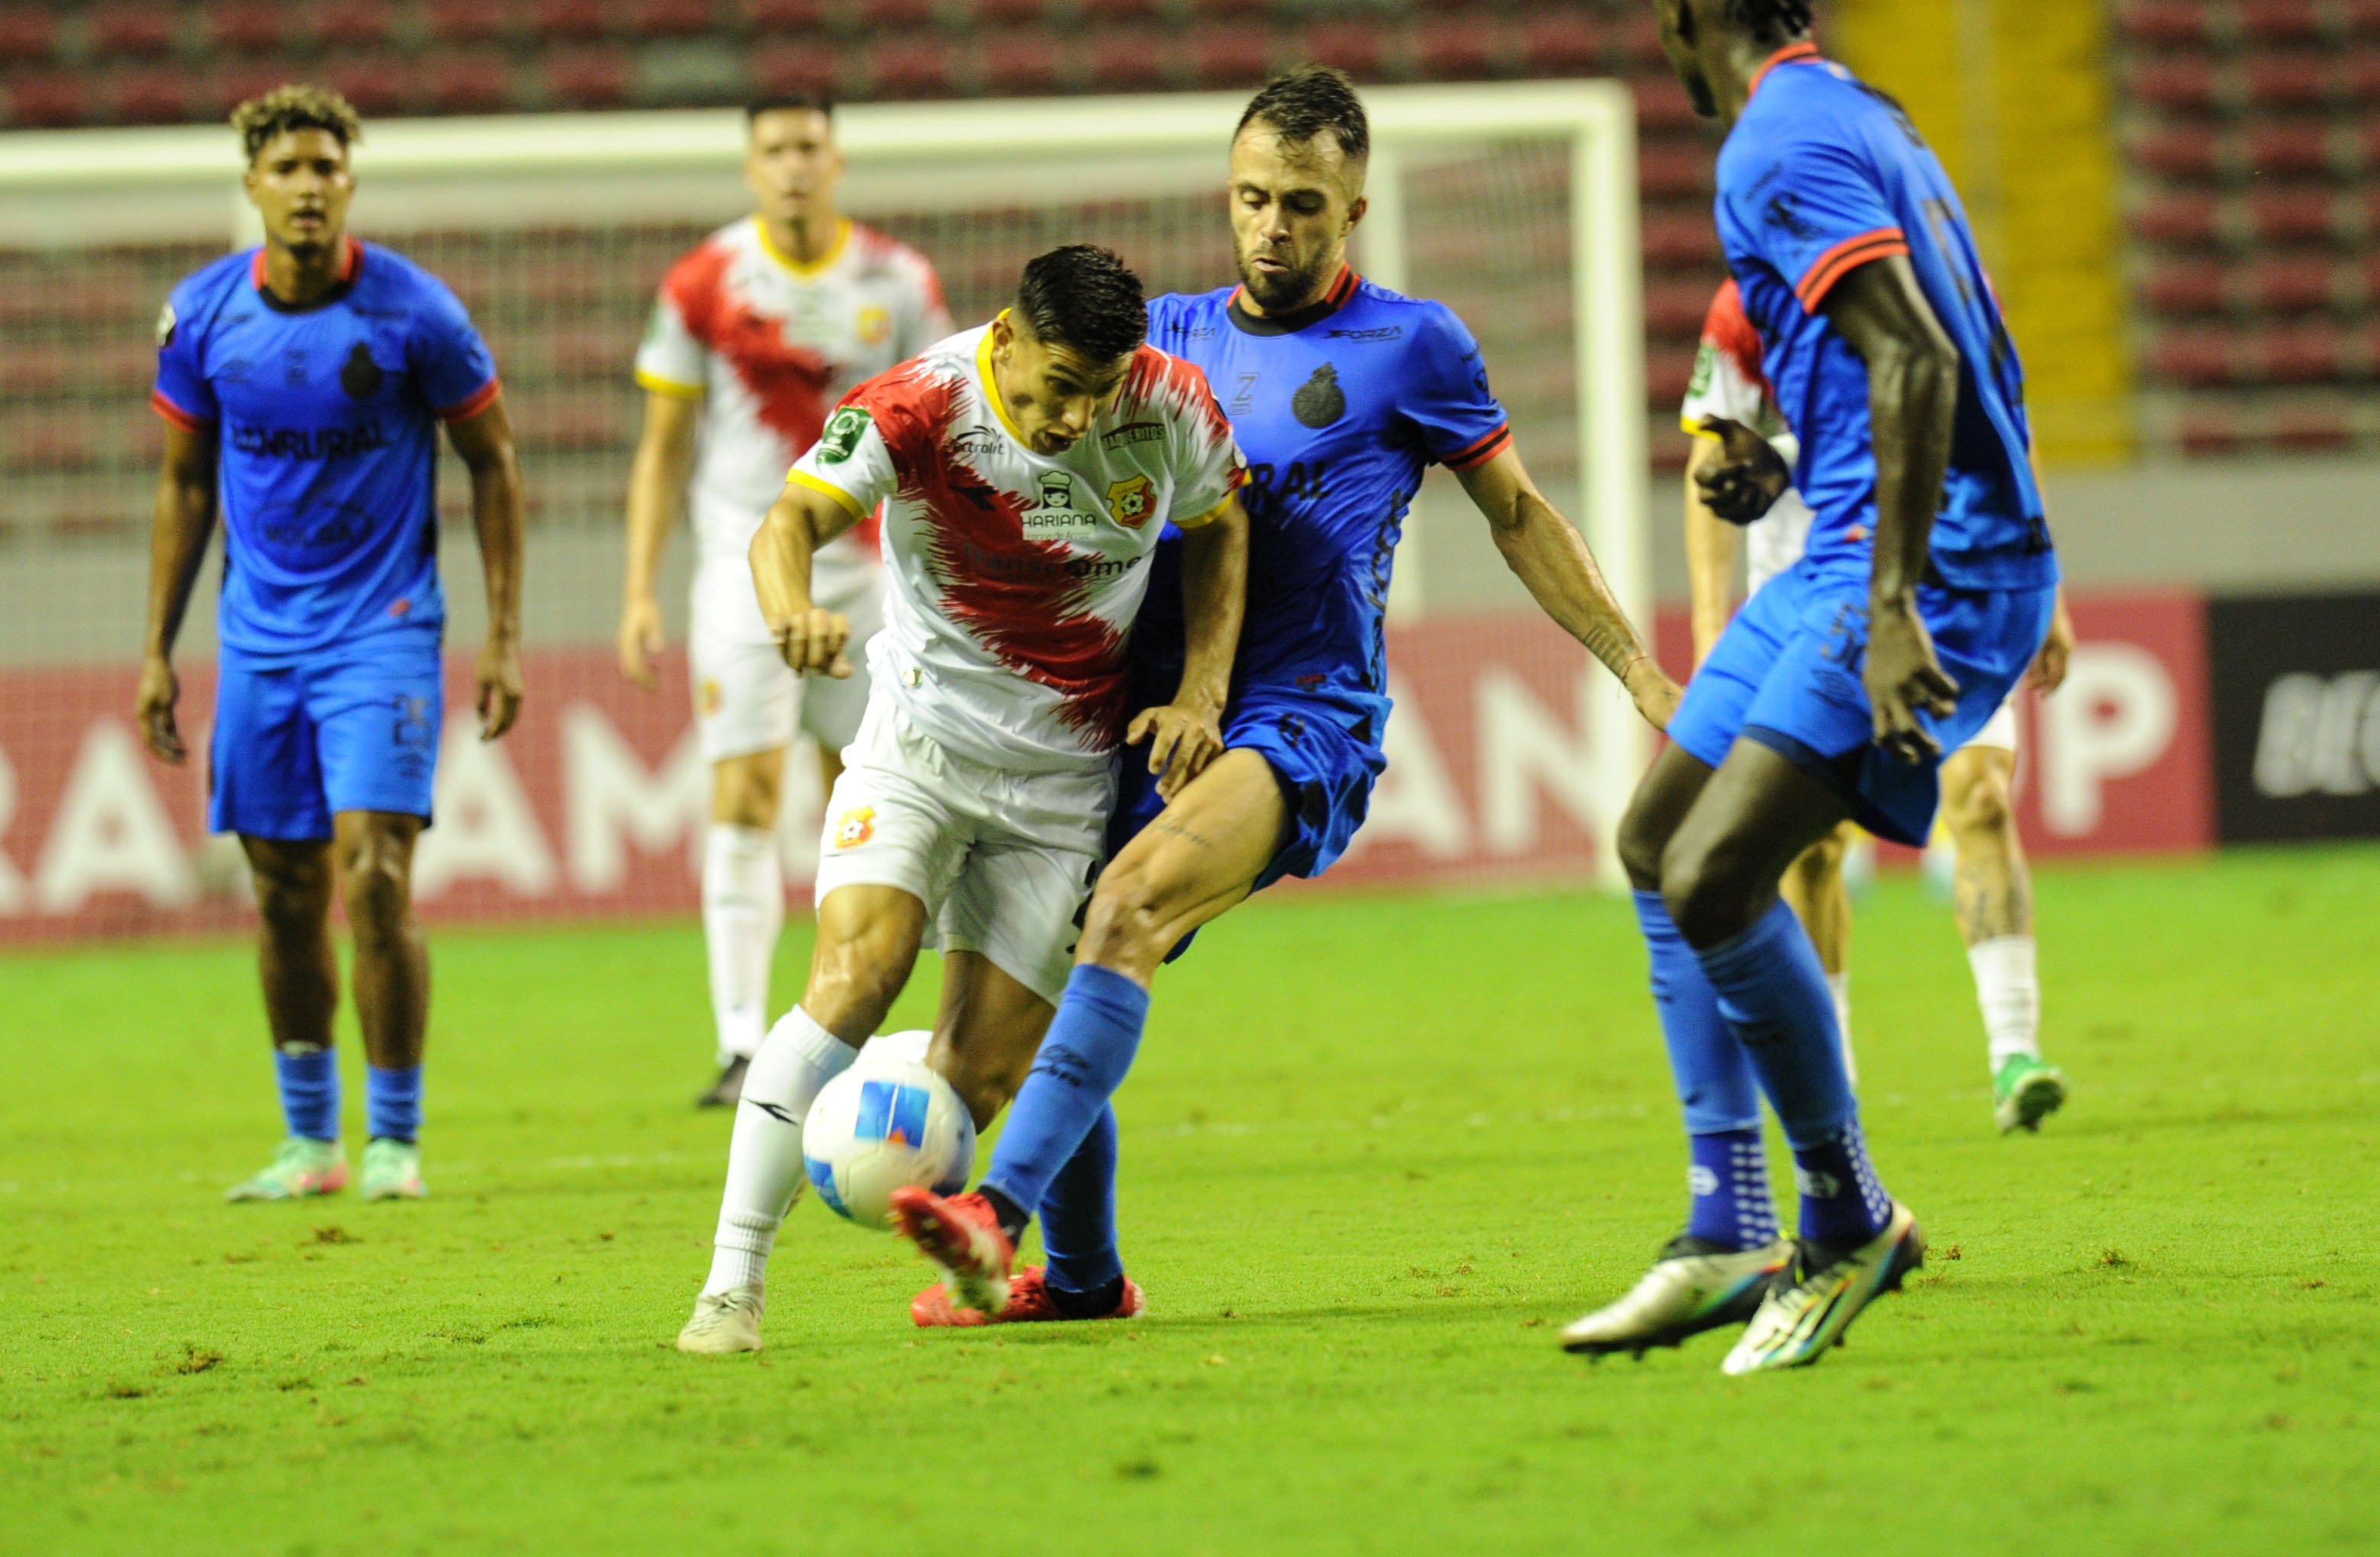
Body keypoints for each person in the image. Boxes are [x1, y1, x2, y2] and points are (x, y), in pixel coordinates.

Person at [886, 65, 1681, 1326]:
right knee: (1000, 1028)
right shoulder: (1167, 343)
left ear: (1352, 210)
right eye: (1253, 198)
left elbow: (1518, 515)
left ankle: (997, 1218)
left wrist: (1638, 668)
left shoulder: (1415, 344)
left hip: (1296, 716)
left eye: (1302, 204)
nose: (1273, 226)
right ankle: (1083, 1281)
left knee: (1128, 906)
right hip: (1142, 715)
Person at [1558, 0, 2060, 1373]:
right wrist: (1780, 465)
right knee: (1656, 840)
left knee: (1721, 873)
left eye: (1662, 0)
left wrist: (1903, 599)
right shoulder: (1860, 115)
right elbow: (1918, 352)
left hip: (1917, 557)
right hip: (1844, 533)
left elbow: (1913, 358)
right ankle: (1727, 1219)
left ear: (1681, 11)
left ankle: (1847, 1222)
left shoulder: (1772, 139)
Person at [677, 244, 1249, 1356]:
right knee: (852, 976)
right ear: (1004, 338)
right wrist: (791, 607)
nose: (1073, 419)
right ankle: (731, 1283)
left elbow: (1223, 528)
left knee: (977, 1087)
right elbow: (783, 523)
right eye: (1052, 389)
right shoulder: (924, 400)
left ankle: (905, 1091)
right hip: (920, 747)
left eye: (1096, 392)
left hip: (1062, 783)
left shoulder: (1171, 406)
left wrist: (1203, 690)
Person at [136, 84, 525, 1205]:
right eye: (288, 169)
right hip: (258, 641)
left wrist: (503, 635)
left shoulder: (417, 314)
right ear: (253, 186)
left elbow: (493, 460)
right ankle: (311, 1146)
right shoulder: (203, 316)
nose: (309, 187)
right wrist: (157, 648)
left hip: (385, 631)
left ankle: (394, 1142)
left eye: (327, 169)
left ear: (348, 183)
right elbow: (183, 485)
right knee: (282, 893)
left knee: (376, 874)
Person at [620, 98, 951, 1107]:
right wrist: (641, 587)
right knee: (747, 795)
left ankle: (842, 1024)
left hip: (868, 568)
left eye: (810, 147)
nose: (794, 166)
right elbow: (664, 444)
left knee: (865, 796)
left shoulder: (897, 280)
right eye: (775, 150)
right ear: (752, 166)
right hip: (740, 568)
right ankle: (736, 1041)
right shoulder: (705, 281)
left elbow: (942, 425)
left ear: (836, 159)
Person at [1684, 279, 2074, 1127]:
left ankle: (2013, 1049)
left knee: (1980, 796)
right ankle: (1838, 1080)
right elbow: (1709, 462)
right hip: (1804, 594)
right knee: (1812, 846)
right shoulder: (1745, 301)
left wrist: (2047, 585)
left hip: (1949, 583)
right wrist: (1715, 625)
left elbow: (2006, 425)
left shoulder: (1945, 277)